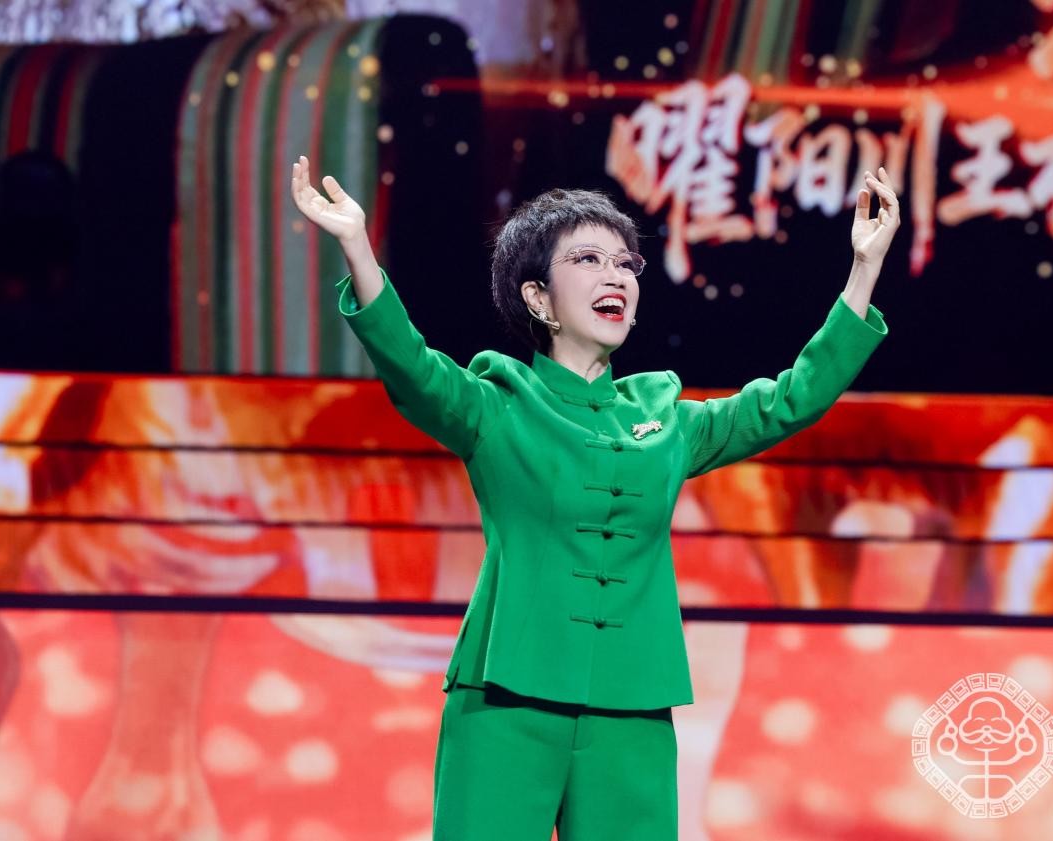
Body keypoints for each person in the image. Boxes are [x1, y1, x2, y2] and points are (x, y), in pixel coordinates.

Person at [291, 155, 899, 839]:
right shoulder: (496, 406)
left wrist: (863, 269)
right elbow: (412, 367)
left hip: (631, 705)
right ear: (538, 298)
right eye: (587, 259)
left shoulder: (666, 419)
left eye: (625, 264)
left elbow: (790, 400)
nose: (615, 276)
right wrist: (357, 247)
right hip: (506, 695)